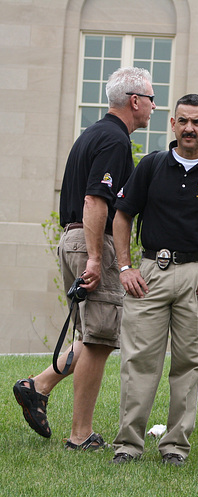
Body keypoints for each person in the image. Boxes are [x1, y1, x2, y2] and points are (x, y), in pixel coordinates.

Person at [12, 67, 155, 450]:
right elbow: (95, 199)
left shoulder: (94, 132)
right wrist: (96, 257)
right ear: (135, 101)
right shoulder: (114, 140)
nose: (154, 107)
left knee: (95, 333)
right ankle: (80, 435)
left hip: (76, 238)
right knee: (99, 338)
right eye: (152, 99)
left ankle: (37, 386)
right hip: (91, 239)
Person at [110, 94, 198, 466]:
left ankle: (175, 446)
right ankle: (128, 444)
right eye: (183, 121)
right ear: (172, 124)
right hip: (149, 274)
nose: (190, 128)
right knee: (139, 361)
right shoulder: (151, 166)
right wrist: (125, 268)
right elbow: (122, 215)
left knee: (189, 364)